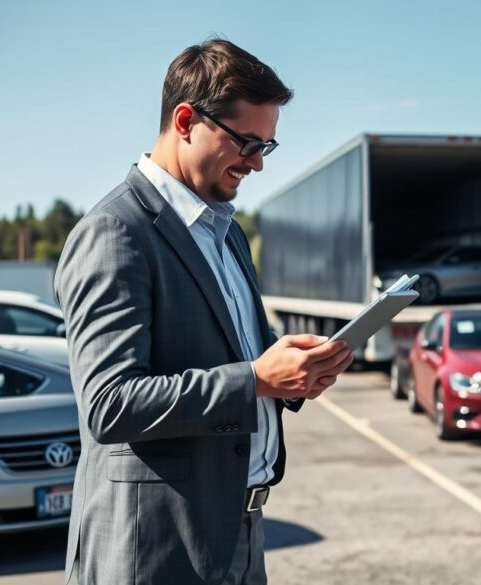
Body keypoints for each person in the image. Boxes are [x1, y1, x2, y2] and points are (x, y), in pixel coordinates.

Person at [54, 38, 352, 585]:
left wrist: (293, 377)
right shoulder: (114, 232)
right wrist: (254, 380)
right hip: (154, 547)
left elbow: (243, 361)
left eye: (268, 146)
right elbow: (109, 404)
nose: (258, 163)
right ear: (186, 120)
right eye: (247, 142)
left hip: (239, 532)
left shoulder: (229, 234)